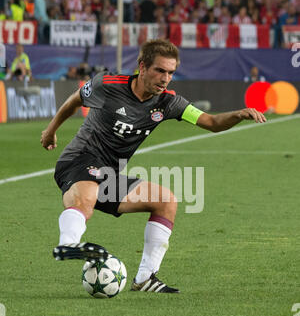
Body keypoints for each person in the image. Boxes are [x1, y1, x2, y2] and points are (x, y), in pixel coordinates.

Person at [40, 39, 266, 293]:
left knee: (166, 201)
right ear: (142, 67)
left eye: (170, 72)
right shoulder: (108, 85)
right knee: (87, 196)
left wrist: (238, 114)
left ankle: (145, 278)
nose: (165, 78)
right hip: (77, 160)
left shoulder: (168, 103)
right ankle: (68, 244)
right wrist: (50, 131)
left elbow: (211, 122)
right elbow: (74, 100)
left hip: (109, 175)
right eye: (160, 70)